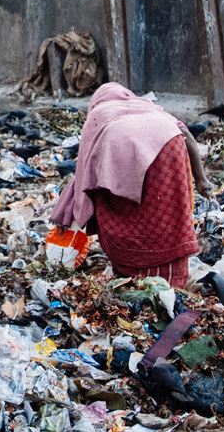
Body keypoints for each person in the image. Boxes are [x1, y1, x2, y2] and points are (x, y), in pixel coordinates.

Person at [50, 82, 211, 287]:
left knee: (129, 214)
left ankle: (134, 274)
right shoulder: (147, 106)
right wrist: (201, 181)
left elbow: (85, 171)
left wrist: (76, 210)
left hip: (128, 144)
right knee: (169, 213)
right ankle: (172, 280)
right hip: (170, 145)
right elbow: (187, 135)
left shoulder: (98, 112)